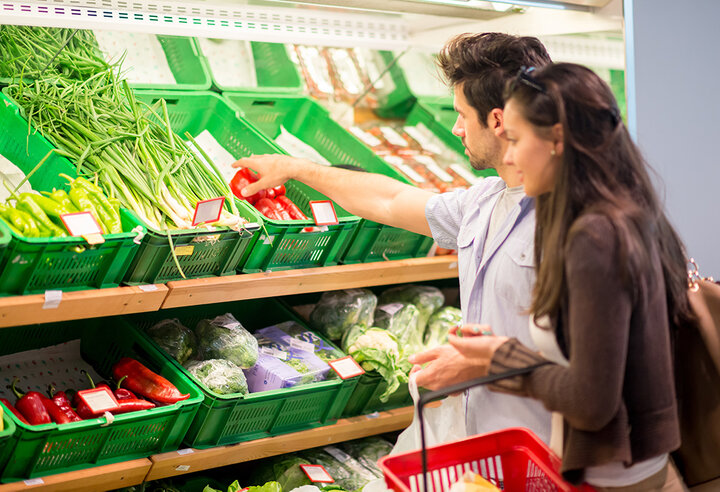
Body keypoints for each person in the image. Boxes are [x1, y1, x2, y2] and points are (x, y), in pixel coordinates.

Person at [234, 33, 553, 442]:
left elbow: (599, 369)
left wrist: (488, 366)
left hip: (551, 452)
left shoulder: (569, 222)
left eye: (461, 114)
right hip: (487, 445)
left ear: (496, 121)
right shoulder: (485, 203)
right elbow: (391, 199)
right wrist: (297, 168)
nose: (456, 128)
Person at [444, 63, 689, 490]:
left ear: (556, 140)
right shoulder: (616, 211)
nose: (509, 155)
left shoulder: (595, 237)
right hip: (631, 464)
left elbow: (592, 401)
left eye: (517, 140)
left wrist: (499, 358)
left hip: (612, 477)